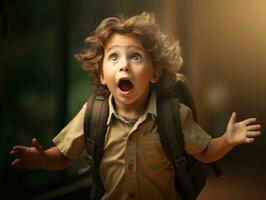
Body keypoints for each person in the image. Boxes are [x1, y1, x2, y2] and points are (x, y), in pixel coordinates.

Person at [10, 12, 262, 200]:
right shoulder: (93, 113)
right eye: (114, 57)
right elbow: (64, 156)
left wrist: (228, 139)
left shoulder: (174, 114)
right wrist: (42, 159)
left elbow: (205, 152)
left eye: (136, 56)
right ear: (100, 74)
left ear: (154, 73)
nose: (124, 65)